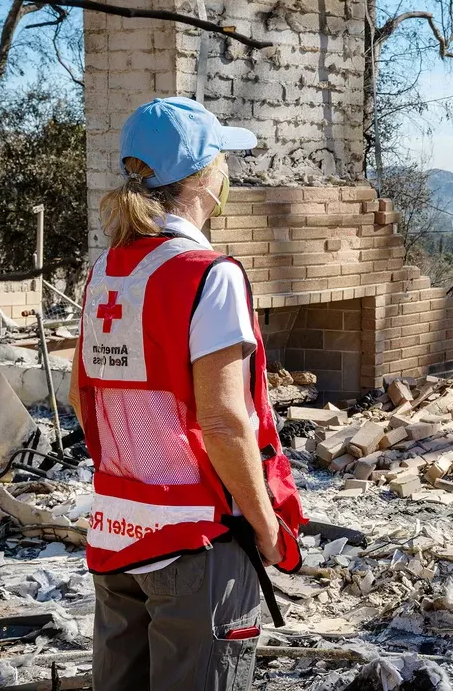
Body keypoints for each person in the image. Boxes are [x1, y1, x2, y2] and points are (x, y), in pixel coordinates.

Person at [68, 97, 305, 691]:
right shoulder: (209, 273)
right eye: (223, 159)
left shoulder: (107, 271)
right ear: (203, 179)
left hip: (117, 529)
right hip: (195, 539)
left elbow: (81, 395)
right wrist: (269, 528)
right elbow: (224, 423)